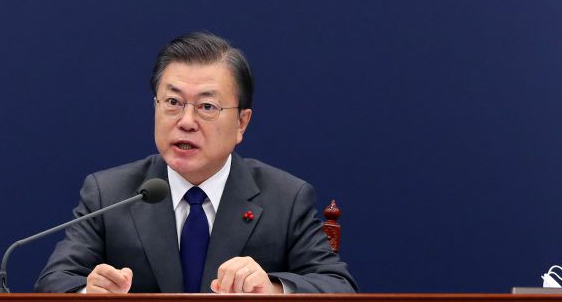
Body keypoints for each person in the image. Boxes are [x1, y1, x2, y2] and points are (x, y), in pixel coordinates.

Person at [35, 32, 357, 294]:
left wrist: (272, 289)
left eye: (207, 106)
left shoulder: (285, 198)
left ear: (242, 123)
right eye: (173, 102)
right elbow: (53, 281)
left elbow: (338, 286)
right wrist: (89, 293)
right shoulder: (109, 194)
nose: (186, 121)